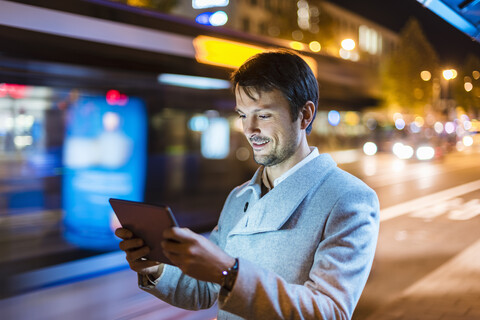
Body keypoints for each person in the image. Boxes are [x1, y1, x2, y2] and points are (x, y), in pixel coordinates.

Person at [115, 50, 380, 319]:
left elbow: (328, 312)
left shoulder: (348, 198)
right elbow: (205, 289)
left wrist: (228, 272)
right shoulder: (240, 195)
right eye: (243, 115)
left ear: (305, 115)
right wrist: (155, 267)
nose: (249, 129)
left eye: (263, 115)